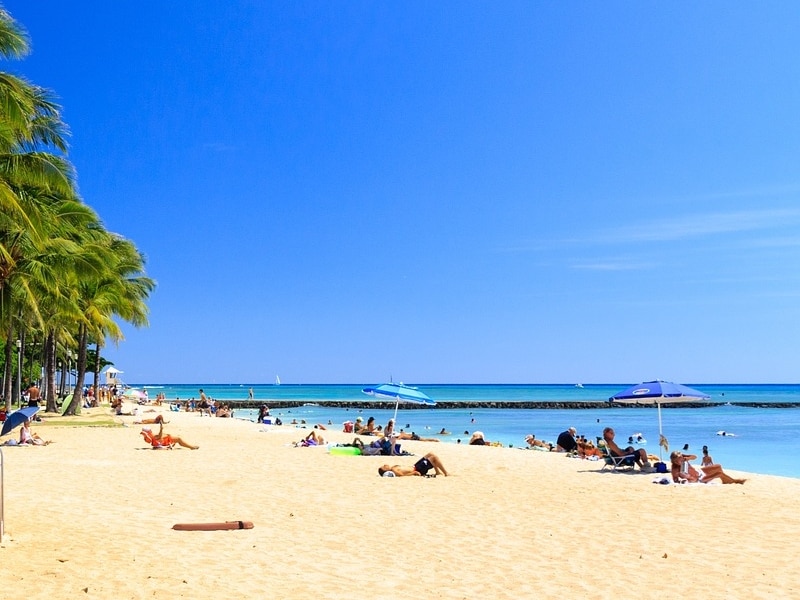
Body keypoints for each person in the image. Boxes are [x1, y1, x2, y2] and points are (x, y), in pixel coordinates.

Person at [670, 451, 745, 484]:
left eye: (680, 458)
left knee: (718, 466)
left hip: (699, 472)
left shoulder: (683, 459)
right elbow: (675, 480)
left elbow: (695, 457)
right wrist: (686, 479)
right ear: (674, 461)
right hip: (699, 479)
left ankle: (725, 480)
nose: (680, 461)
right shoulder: (675, 468)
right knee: (719, 473)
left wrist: (686, 457)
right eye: (677, 460)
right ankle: (733, 481)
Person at [378, 453, 449, 477]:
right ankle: (446, 473)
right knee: (434, 458)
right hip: (417, 469)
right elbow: (402, 475)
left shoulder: (393, 467)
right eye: (384, 467)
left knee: (430, 454)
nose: (385, 465)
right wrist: (414, 473)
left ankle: (437, 472)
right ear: (386, 471)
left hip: (415, 466)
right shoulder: (394, 470)